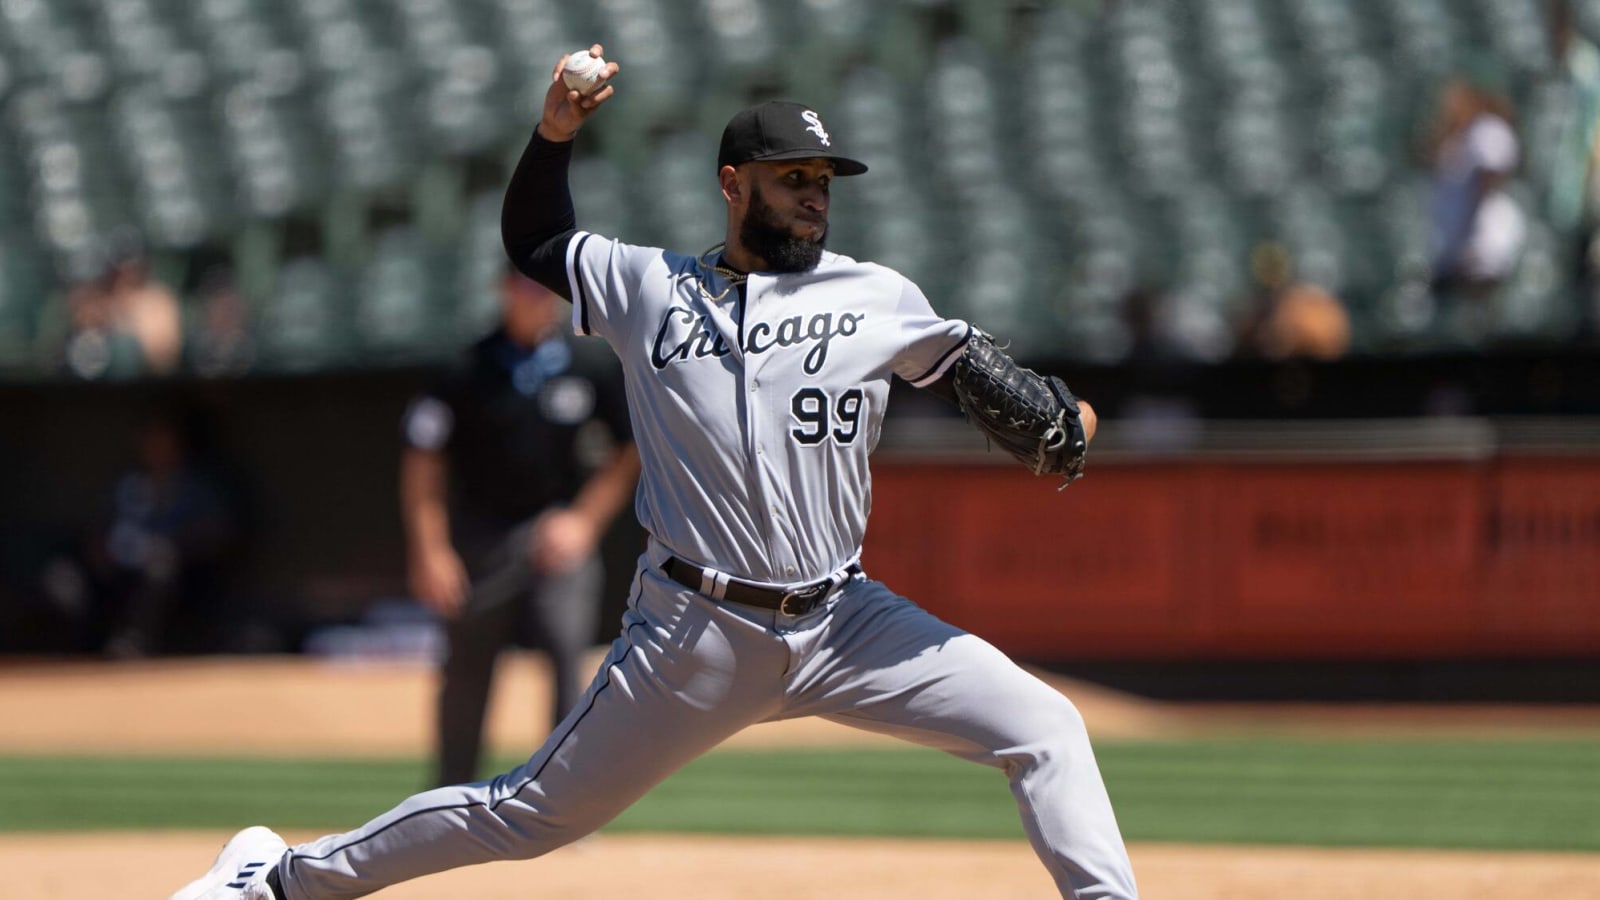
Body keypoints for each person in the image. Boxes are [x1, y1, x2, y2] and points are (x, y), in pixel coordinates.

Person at [170, 45, 1136, 900]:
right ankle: (278, 880)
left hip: (848, 620)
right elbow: (536, 243)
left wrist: (1067, 423)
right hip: (694, 631)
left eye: (823, 179)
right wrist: (552, 136)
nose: (813, 193)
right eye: (790, 174)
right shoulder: (650, 287)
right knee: (528, 813)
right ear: (733, 183)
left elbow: (1019, 397)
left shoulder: (879, 296)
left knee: (1045, 726)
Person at [400, 264, 638, 788]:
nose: (539, 299)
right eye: (528, 286)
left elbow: (629, 449)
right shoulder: (465, 368)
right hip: (480, 539)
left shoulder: (588, 364)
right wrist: (431, 550)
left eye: (548, 288)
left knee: (567, 664)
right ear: (504, 290)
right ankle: (448, 797)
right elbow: (423, 460)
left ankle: (565, 800)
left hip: (556, 535)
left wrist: (583, 521)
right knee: (466, 674)